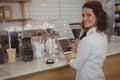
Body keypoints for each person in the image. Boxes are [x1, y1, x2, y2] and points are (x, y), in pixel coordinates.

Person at [65, 1, 108, 80]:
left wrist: (66, 55)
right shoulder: (102, 35)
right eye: (83, 15)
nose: (84, 18)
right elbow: (92, 55)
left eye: (89, 15)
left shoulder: (88, 40)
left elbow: (77, 65)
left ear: (98, 16)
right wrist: (77, 50)